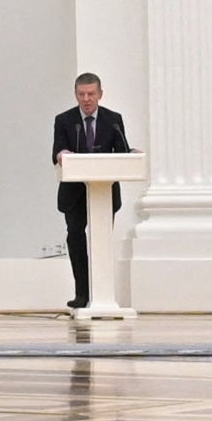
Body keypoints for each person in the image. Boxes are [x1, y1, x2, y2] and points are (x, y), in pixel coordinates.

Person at [50, 73, 130, 311]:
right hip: (74, 194)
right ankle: (82, 293)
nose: (86, 99)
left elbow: (122, 151)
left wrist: (130, 153)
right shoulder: (64, 120)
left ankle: (103, 294)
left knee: (101, 241)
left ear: (100, 94)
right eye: (81, 94)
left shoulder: (113, 119)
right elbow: (57, 151)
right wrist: (62, 154)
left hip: (103, 194)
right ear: (76, 94)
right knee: (76, 238)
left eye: (91, 94)